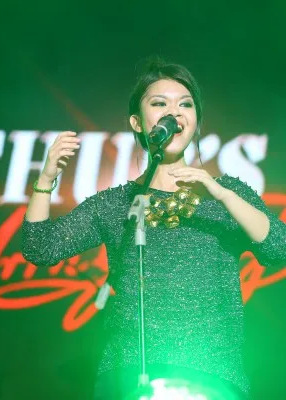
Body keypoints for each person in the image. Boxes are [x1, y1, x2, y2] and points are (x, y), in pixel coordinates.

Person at [21, 59, 286, 399]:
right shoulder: (117, 204)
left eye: (185, 105)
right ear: (137, 122)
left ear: (195, 121)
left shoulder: (227, 195)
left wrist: (221, 194)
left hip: (213, 375)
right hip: (129, 375)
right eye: (160, 104)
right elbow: (40, 248)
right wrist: (46, 179)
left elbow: (279, 248)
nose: (174, 113)